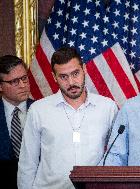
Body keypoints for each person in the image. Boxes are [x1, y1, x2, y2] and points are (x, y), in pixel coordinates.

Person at [17, 47, 118, 189]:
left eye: (75, 73)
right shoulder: (38, 110)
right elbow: (28, 163)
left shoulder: (107, 107)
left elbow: (117, 155)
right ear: (54, 77)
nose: (71, 82)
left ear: (84, 69)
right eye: (63, 77)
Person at [0, 55, 33, 189]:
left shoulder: (43, 111)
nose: (23, 85)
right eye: (15, 81)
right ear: (1, 86)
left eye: (24, 78)